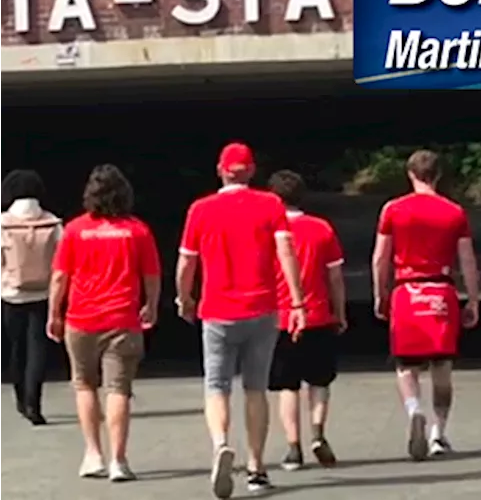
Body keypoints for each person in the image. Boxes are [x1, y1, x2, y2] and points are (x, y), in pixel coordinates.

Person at [177, 142, 307, 498]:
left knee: (216, 385)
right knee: (255, 389)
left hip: (217, 310)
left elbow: (187, 261)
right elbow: (285, 250)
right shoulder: (271, 204)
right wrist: (296, 300)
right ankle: (256, 467)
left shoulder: (201, 209)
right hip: (262, 309)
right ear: (251, 172)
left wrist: (184, 297)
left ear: (220, 170)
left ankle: (221, 443)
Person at [46, 164, 161, 482]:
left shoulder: (75, 229)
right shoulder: (138, 230)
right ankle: (119, 460)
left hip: (81, 318)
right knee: (118, 389)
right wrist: (151, 305)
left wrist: (54, 313)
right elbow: (151, 275)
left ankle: (93, 454)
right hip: (123, 318)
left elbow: (59, 277)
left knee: (84, 384)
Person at [372, 149, 480, 461]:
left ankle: (414, 410)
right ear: (439, 176)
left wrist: (381, 294)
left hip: (407, 292)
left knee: (406, 366)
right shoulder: (454, 212)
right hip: (441, 292)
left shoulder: (393, 209)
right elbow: (468, 260)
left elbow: (380, 257)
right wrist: (472, 299)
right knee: (442, 368)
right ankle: (438, 433)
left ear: (410, 174)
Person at [265, 170, 347, 472]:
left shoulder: (266, 231)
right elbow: (335, 276)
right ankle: (318, 433)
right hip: (318, 315)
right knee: (320, 381)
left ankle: (293, 447)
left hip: (280, 318)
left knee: (287, 386)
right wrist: (339, 312)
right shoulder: (321, 228)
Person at [0, 169, 61, 426]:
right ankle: (34, 403)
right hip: (44, 292)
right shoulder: (53, 223)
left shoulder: (2, 222)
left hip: (11, 292)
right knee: (38, 348)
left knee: (16, 349)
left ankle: (20, 399)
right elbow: (63, 262)